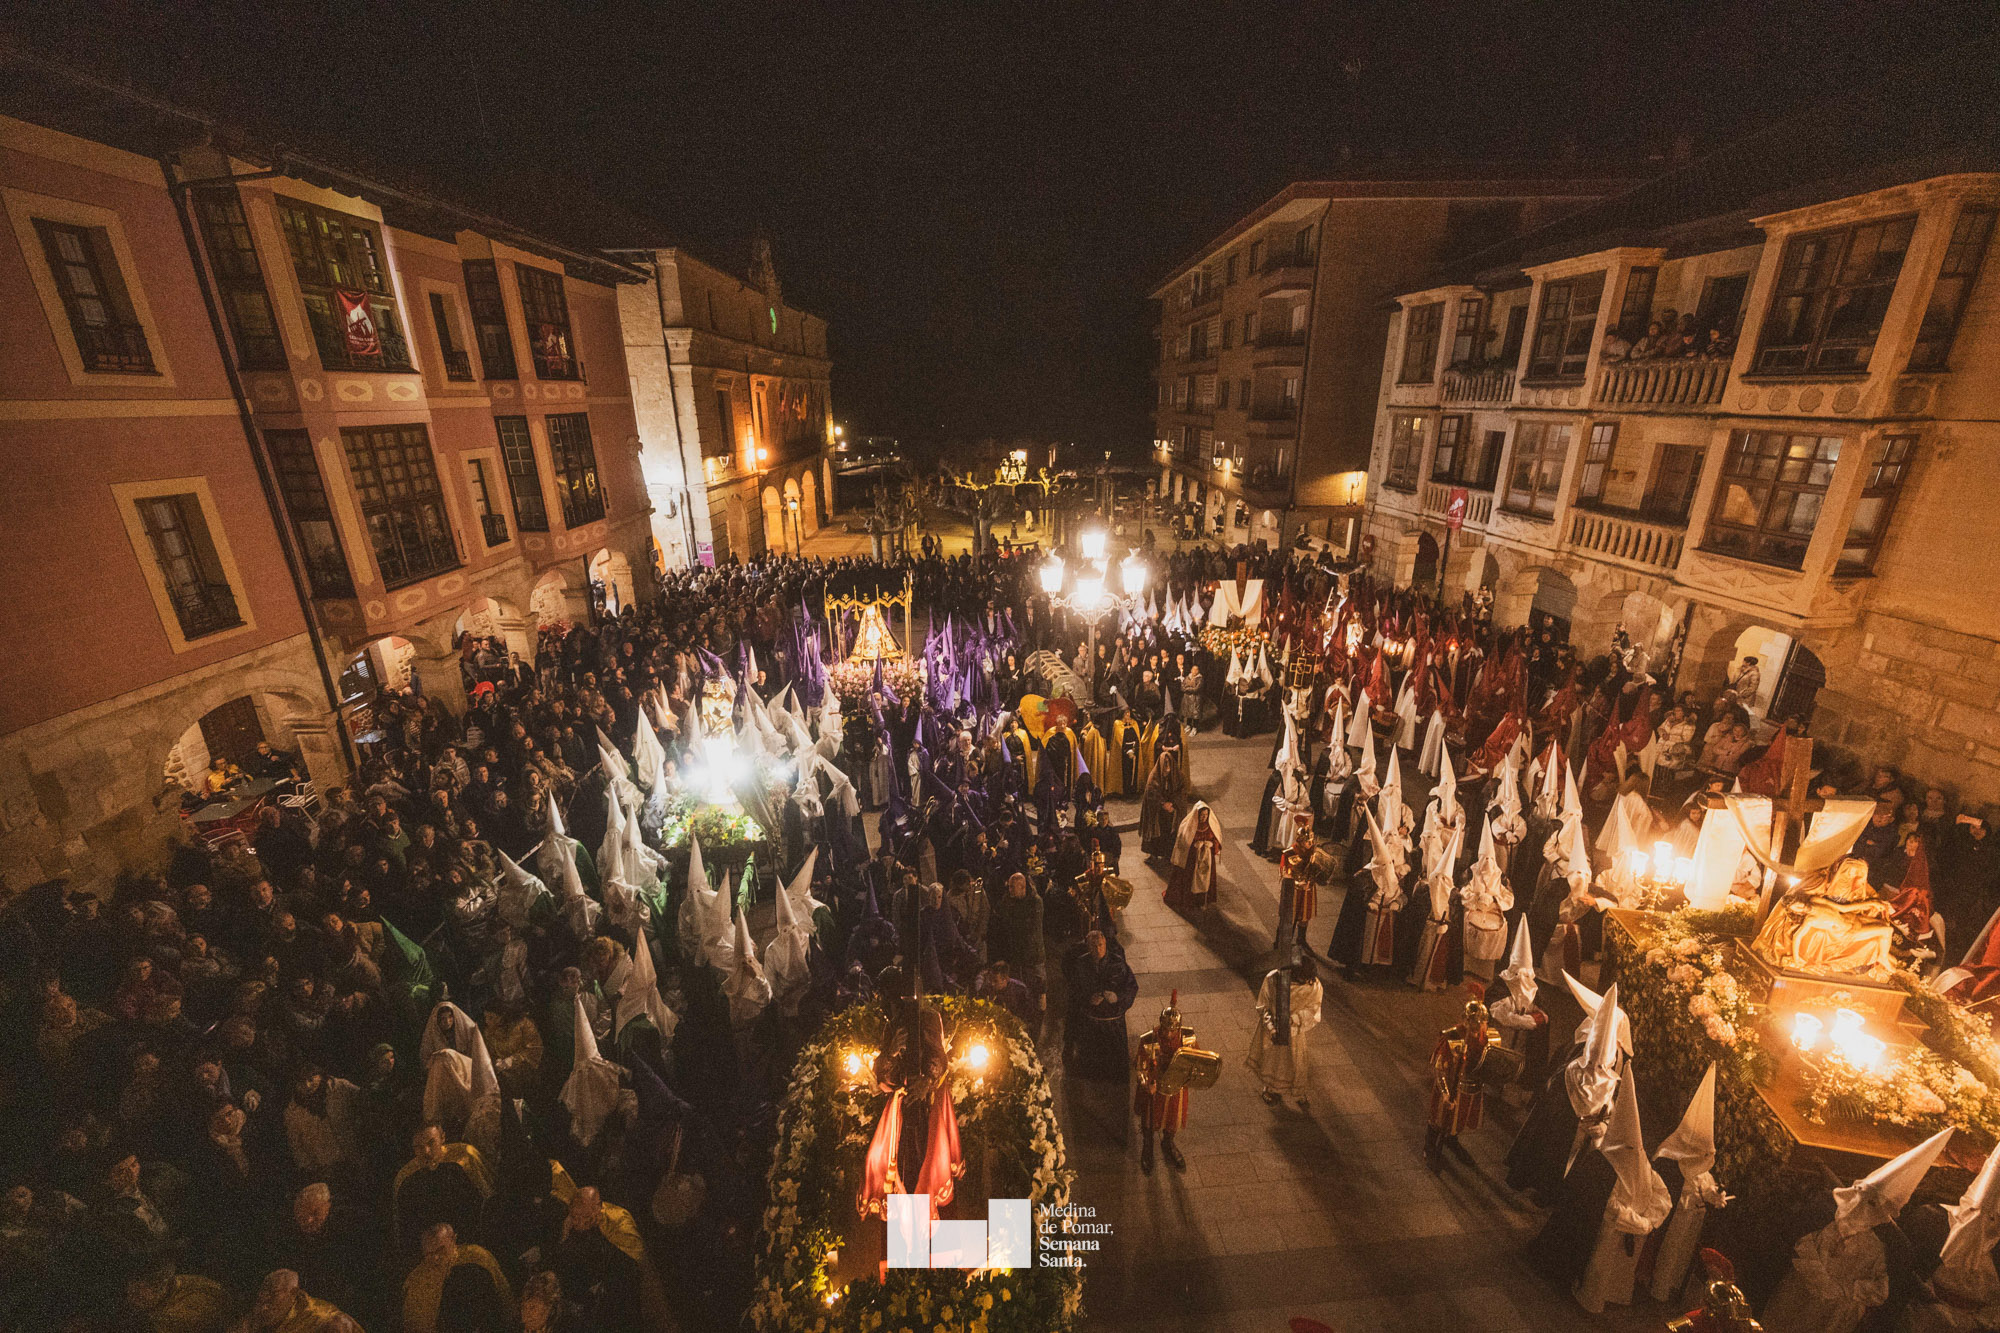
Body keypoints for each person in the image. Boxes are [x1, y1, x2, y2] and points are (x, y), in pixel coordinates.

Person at [1426, 986, 1500, 1173]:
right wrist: (1444, 1094)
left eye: (1481, 1027)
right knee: (1439, 1118)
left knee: (1460, 1119)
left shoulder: (1488, 1038)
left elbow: (1492, 1062)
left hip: (1471, 1086)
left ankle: (1452, 1139)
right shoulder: (1452, 1038)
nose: (1477, 1033)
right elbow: (1439, 1068)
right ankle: (1429, 1146)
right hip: (1451, 1086)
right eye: (1474, 1029)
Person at [1245, 959, 1322, 1108]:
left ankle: (1298, 1091)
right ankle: (1270, 1089)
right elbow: (1263, 1005)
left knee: (1297, 1063)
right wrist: (1271, 1027)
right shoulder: (1273, 979)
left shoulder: (1312, 986)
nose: (1305, 982)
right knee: (1274, 1062)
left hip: (1294, 1032)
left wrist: (1292, 1020)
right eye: (1301, 978)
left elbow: (1313, 1008)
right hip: (1273, 1029)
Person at [1062, 930, 1137, 1081]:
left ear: (1105, 944)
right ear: (1088, 947)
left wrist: (1117, 997)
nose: (1098, 949)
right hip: (1091, 1023)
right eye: (1094, 946)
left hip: (1112, 1023)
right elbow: (1074, 991)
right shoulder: (1081, 964)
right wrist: (1088, 999)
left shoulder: (1118, 964)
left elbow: (1131, 987)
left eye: (1101, 945)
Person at [1134, 993, 1195, 1175]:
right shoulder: (1148, 1040)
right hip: (1154, 1088)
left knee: (1172, 1119)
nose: (1168, 1034)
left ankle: (1168, 1143)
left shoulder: (1188, 1039)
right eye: (1165, 1029)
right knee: (1150, 1120)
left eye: (1172, 1030)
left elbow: (1196, 1061)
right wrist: (1146, 1084)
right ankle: (1147, 1147)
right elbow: (1139, 1068)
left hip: (1176, 1088)